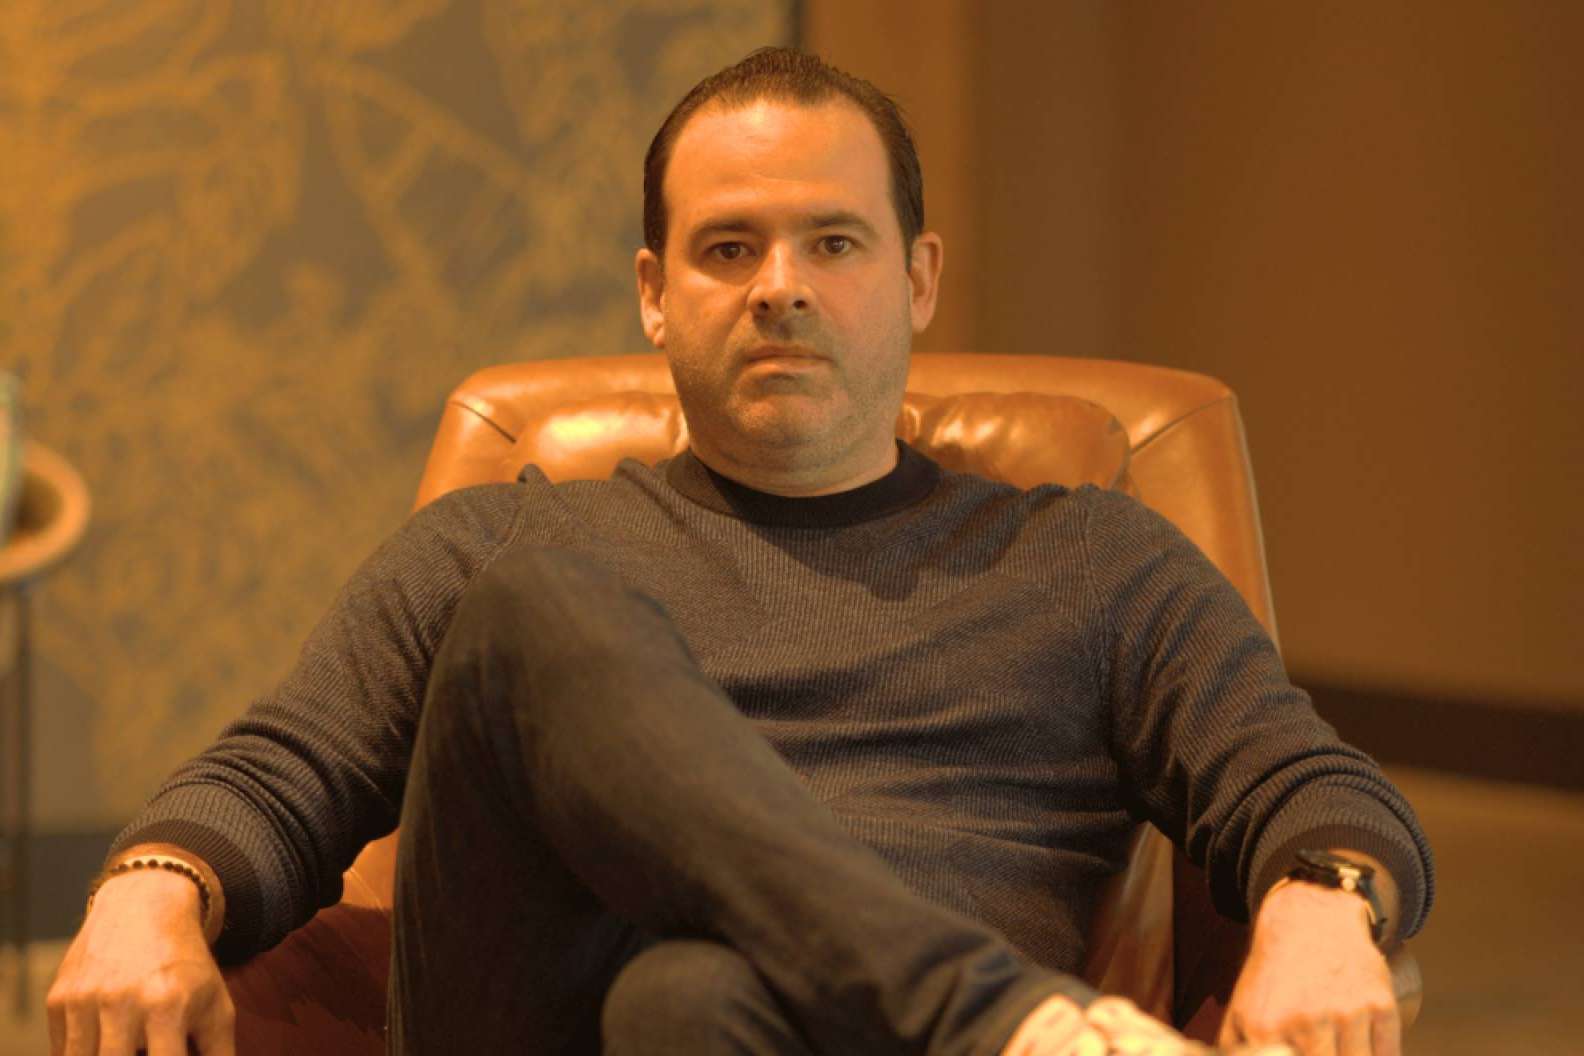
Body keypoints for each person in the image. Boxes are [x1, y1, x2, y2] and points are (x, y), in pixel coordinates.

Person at [47, 48, 1432, 1056]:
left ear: (918, 279)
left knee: (691, 1001)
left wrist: (1325, 905)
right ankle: (996, 1017)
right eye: (727, 249)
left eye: (833, 242)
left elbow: (1306, 781)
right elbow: (278, 770)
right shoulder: (512, 540)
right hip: (544, 1030)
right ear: (655, 295)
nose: (781, 288)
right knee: (535, 613)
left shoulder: (1092, 560)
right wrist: (148, 886)